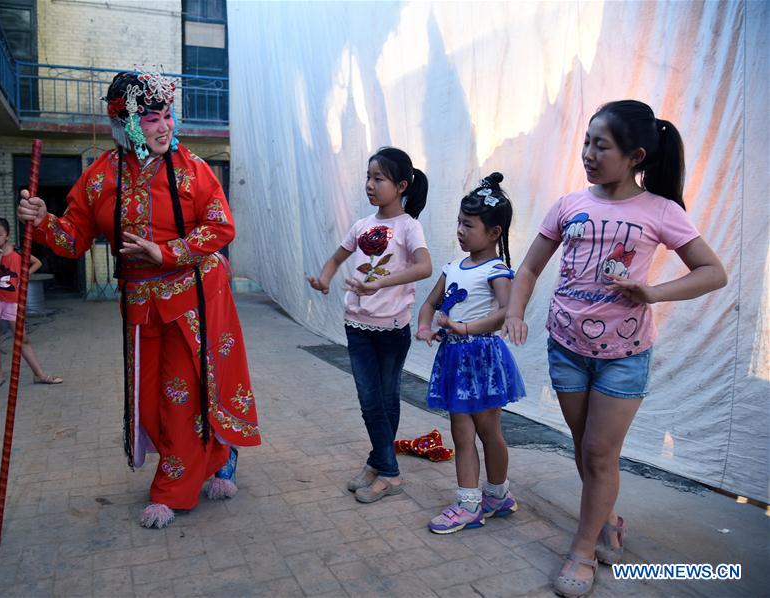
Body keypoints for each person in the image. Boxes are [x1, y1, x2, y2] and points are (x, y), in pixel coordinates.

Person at [502, 100, 727, 596]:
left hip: (623, 357)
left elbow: (714, 272)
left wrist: (653, 293)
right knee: (587, 451)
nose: (588, 153)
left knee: (601, 453)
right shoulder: (568, 205)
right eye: (586, 141)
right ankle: (607, 518)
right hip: (566, 348)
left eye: (600, 145)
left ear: (635, 155)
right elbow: (531, 268)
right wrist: (515, 312)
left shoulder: (660, 212)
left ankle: (582, 553)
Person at [17, 71, 260, 529]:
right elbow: (73, 240)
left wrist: (167, 252)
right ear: (126, 123)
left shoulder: (193, 169)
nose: (164, 127)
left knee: (181, 396)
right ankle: (218, 454)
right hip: (139, 304)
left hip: (195, 299)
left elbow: (221, 226)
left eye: (167, 116)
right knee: (148, 404)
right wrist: (44, 220)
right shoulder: (99, 177)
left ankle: (172, 489)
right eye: (151, 119)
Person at [308, 147, 432, 503]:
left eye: (379, 178)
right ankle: (381, 464)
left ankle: (388, 472)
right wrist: (325, 279)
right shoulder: (362, 225)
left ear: (402, 185)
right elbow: (337, 257)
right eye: (368, 176)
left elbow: (424, 266)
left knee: (384, 398)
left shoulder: (409, 226)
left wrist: (378, 283)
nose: (370, 184)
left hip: (393, 329)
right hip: (357, 326)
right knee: (371, 399)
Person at [416, 173, 525, 534]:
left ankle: (496, 495)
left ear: (494, 233)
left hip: (481, 360)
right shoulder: (452, 267)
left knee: (489, 432)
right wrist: (424, 327)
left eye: (468, 224)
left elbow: (505, 313)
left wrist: (464, 328)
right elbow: (430, 303)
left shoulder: (497, 270)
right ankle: (470, 502)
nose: (460, 231)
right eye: (459, 223)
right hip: (454, 359)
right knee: (462, 433)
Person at [0, 216, 63, 389]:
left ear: (7, 235)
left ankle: (39, 375)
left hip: (12, 300)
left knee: (22, 338)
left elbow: (37, 262)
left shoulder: (17, 251)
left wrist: (23, 277)